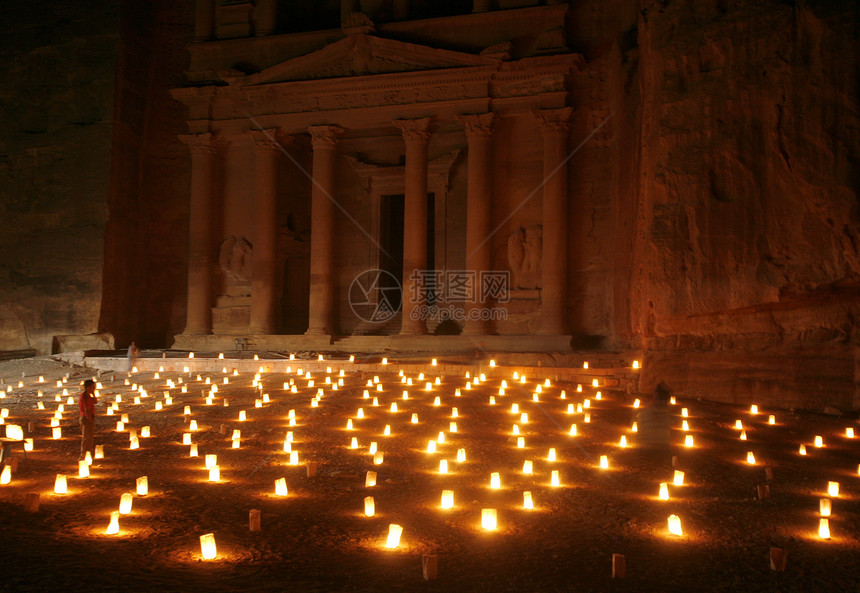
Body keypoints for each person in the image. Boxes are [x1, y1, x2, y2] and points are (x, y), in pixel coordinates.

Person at [636, 382, 673, 452]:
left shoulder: (644, 413)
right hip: (663, 448)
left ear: (655, 396)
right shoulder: (668, 415)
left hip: (645, 448)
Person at [79, 379, 97, 461]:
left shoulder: (88, 395)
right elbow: (87, 410)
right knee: (87, 438)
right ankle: (83, 456)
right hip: (86, 418)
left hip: (87, 418)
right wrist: (90, 421)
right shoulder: (85, 397)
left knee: (89, 438)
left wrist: (93, 394)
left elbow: (95, 402)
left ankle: (86, 454)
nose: (95, 388)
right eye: (93, 387)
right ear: (88, 387)